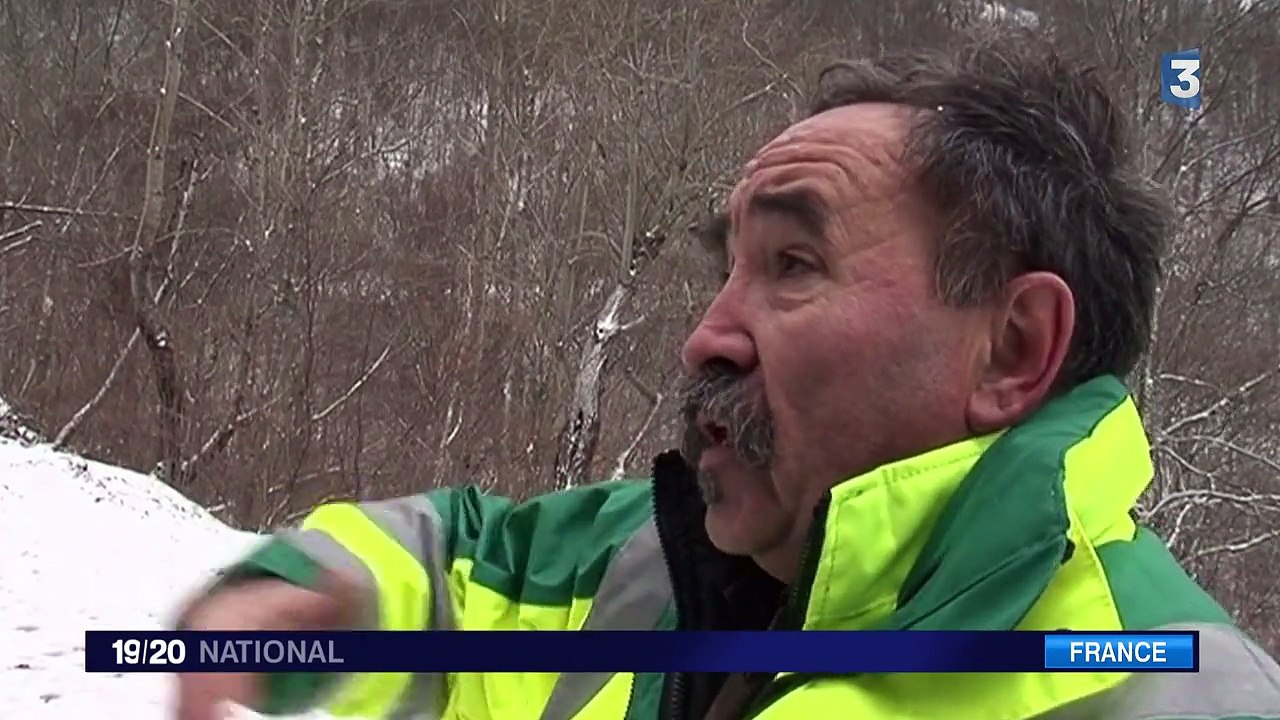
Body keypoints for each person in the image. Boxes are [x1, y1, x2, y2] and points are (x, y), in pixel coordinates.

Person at [172, 30, 1280, 720]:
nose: (703, 337)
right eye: (727, 268)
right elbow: (466, 563)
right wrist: (319, 598)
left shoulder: (1165, 691)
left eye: (792, 264)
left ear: (1014, 347)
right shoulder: (647, 569)